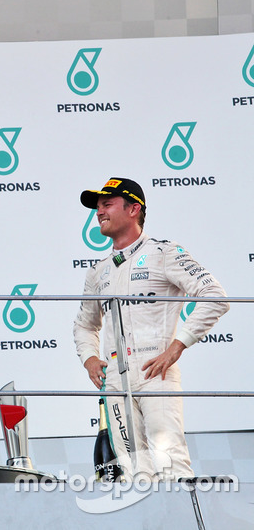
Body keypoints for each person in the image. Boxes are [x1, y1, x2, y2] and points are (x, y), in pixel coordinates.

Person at [73, 177, 228, 480]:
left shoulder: (163, 252)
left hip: (154, 373)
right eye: (97, 207)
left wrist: (177, 346)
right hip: (116, 382)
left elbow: (215, 297)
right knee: (132, 472)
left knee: (170, 466)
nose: (99, 212)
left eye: (107, 204)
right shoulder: (98, 270)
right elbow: (84, 324)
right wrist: (90, 358)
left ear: (133, 209)